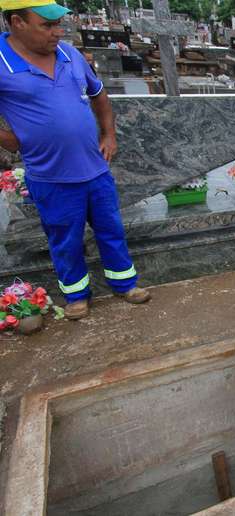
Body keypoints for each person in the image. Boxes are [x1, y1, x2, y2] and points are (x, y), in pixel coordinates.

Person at [0, 1, 150, 320]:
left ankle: (125, 284)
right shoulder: (2, 61)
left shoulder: (69, 54)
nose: (57, 32)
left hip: (94, 171)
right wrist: (9, 139)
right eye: (47, 25)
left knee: (111, 230)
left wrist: (109, 135)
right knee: (64, 240)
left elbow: (98, 94)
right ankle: (76, 295)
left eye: (59, 25)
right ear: (17, 22)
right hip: (51, 176)